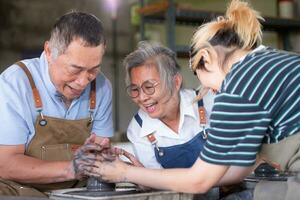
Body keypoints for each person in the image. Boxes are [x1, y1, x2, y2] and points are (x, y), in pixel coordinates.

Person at [81, 0, 300, 199]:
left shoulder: (238, 86)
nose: (212, 93)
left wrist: (125, 172)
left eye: (209, 85)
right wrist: (143, 175)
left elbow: (200, 180)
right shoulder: (273, 59)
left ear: (206, 58)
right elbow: (236, 169)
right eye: (136, 89)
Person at [0, 11, 113, 197]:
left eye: (93, 69)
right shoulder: (15, 83)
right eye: (75, 69)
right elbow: (5, 165)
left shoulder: (101, 87)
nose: (83, 81)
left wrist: (105, 159)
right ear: (49, 52)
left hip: (75, 192)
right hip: (19, 192)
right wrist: (71, 169)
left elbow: (99, 155)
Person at [121, 41, 215, 170]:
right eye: (135, 89)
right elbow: (157, 183)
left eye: (149, 87)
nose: (142, 98)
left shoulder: (207, 102)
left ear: (175, 82)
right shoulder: (138, 128)